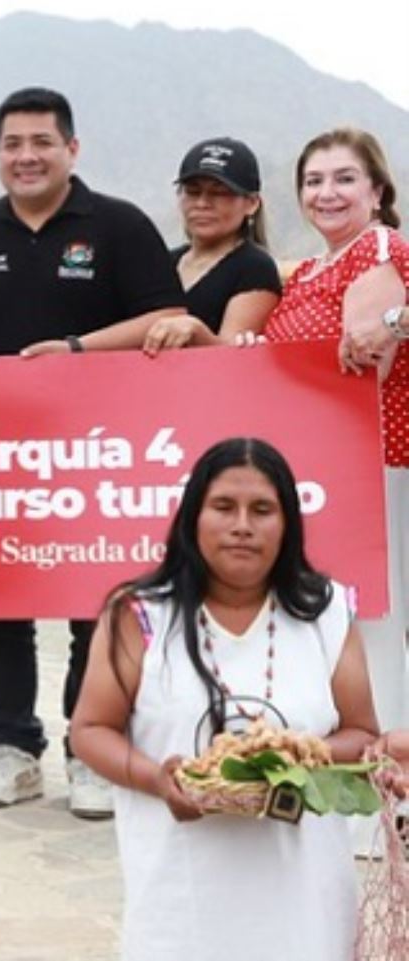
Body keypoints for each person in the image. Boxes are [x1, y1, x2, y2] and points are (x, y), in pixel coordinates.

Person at [0, 87, 185, 817]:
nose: (26, 156)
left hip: (97, 455)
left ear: (71, 149)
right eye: (12, 144)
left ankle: (90, 753)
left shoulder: (119, 225)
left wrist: (77, 349)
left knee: (96, 605)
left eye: (41, 142)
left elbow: (169, 316)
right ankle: (13, 749)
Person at [71, 437, 376, 960]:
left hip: (304, 897)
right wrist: (156, 778)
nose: (242, 525)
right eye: (223, 507)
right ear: (193, 517)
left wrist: (293, 756)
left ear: (287, 524)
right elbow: (90, 730)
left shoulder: (326, 613)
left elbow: (362, 733)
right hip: (181, 895)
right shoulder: (141, 614)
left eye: (262, 510)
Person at [247, 128, 409, 749]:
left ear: (376, 190)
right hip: (320, 474)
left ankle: (386, 794)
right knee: (332, 627)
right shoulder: (308, 270)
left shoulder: (381, 250)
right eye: (313, 181)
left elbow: (372, 352)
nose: (327, 193)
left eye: (344, 179)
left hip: (377, 468)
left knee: (375, 630)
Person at [141, 138, 281, 353]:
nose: (202, 203)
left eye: (219, 193)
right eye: (193, 191)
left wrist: (197, 331)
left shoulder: (254, 267)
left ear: (252, 203)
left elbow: (234, 355)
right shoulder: (163, 262)